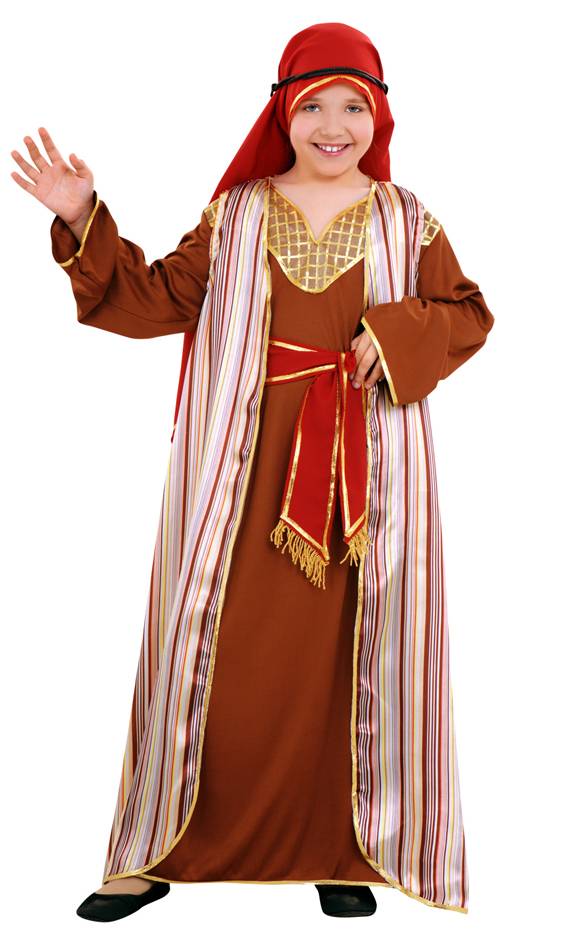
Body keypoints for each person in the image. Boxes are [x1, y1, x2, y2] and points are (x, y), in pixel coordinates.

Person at [10, 21, 494, 922]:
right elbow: (153, 298)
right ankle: (160, 848)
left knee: (348, 651)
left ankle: (346, 848)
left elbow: (467, 313)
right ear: (283, 113)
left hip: (362, 477)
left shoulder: (407, 219)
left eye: (354, 107)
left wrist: (394, 334)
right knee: (215, 647)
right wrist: (81, 218)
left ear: (380, 117)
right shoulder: (236, 214)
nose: (334, 127)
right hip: (242, 469)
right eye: (315, 107)